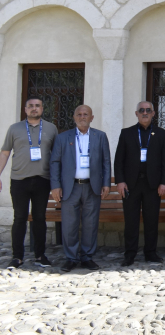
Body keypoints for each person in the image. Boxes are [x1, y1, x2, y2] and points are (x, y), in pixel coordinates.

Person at [50, 105, 111, 272]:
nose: (82, 117)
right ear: (74, 117)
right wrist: (55, 186)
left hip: (92, 186)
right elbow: (54, 162)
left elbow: (106, 162)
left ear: (92, 118)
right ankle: (71, 258)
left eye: (86, 114)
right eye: (79, 114)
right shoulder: (63, 138)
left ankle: (87, 257)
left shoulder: (100, 136)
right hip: (70, 187)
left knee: (90, 223)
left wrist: (106, 183)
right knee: (69, 224)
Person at [0, 97, 58, 269]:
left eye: (37, 106)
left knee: (39, 218)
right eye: (31, 106)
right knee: (19, 218)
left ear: (42, 109)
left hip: (42, 179)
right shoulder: (14, 128)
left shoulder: (51, 128)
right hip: (19, 180)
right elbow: (5, 152)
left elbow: (56, 155)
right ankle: (17, 257)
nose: (34, 109)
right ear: (25, 110)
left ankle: (40, 255)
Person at [114, 101, 165, 266]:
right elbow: (119, 161)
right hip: (131, 184)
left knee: (151, 220)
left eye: (148, 110)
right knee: (131, 221)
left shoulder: (161, 134)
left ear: (153, 113)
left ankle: (150, 253)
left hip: (153, 185)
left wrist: (164, 183)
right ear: (136, 113)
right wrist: (120, 181)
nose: (145, 113)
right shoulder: (126, 133)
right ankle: (129, 254)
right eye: (141, 110)